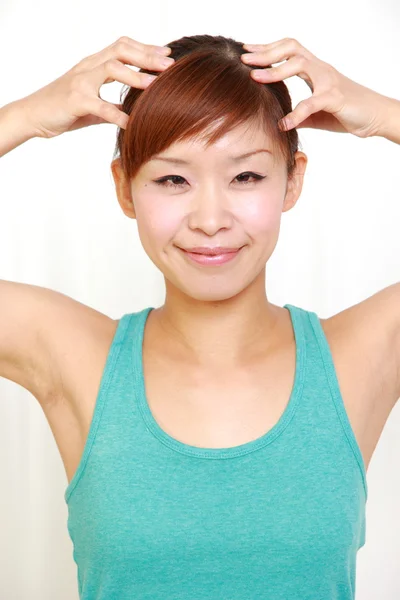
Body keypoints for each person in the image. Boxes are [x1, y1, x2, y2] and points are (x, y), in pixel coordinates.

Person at [1, 33, 399, 600]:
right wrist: (27, 116)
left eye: (246, 176)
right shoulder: (71, 355)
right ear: (125, 188)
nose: (210, 218)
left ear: (294, 180)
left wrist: (381, 115)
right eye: (172, 179)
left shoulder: (363, 355)